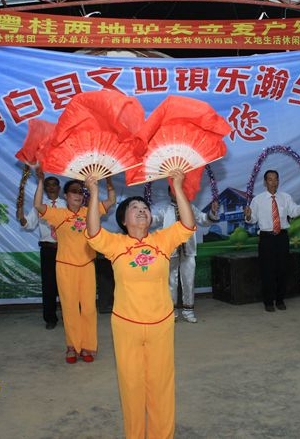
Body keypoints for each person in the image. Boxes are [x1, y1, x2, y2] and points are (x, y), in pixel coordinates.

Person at [85, 170, 195, 439]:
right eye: (134, 208)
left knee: (161, 384)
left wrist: (177, 187)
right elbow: (93, 232)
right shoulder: (115, 244)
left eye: (144, 207)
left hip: (161, 324)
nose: (141, 210)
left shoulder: (162, 240)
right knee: (131, 386)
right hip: (127, 326)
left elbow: (188, 225)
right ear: (123, 220)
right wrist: (94, 192)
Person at [33, 169, 116, 364]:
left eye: (81, 191)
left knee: (88, 309)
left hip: (87, 266)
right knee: (70, 308)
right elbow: (37, 205)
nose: (78, 195)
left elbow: (111, 200)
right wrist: (40, 181)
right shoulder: (58, 214)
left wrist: (108, 179)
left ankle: (88, 346)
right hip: (65, 267)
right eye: (73, 191)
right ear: (65, 195)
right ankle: (72, 346)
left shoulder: (90, 211)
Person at [244, 169, 300, 312]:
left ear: (279, 181)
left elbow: (294, 212)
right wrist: (248, 216)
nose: (273, 182)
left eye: (276, 179)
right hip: (266, 238)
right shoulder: (258, 200)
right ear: (265, 182)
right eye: (270, 179)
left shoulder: (285, 197)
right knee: (267, 270)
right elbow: (252, 219)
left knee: (282, 269)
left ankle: (280, 300)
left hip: (282, 237)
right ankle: (268, 302)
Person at [152, 185, 219, 323]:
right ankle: (172, 312)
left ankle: (188, 311)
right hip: (170, 251)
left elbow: (203, 219)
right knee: (171, 281)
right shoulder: (165, 210)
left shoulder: (190, 208)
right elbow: (154, 219)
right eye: (173, 190)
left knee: (189, 280)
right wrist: (144, 214)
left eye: (179, 190)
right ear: (169, 193)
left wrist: (212, 212)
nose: (177, 193)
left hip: (188, 250)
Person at [17, 175, 63, 330]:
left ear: (59, 188)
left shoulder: (67, 205)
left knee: (67, 284)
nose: (51, 187)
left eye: (54, 184)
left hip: (65, 250)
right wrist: (21, 218)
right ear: (44, 189)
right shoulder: (39, 206)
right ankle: (50, 318)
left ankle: (70, 316)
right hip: (48, 250)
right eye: (48, 185)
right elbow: (28, 224)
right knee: (49, 285)